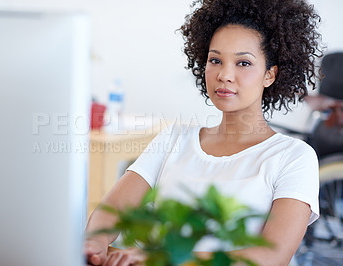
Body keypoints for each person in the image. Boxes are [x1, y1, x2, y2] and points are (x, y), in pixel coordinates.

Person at [84, 0, 323, 265]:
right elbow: (113, 211)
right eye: (215, 60)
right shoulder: (174, 138)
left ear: (269, 75)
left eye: (243, 63)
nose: (224, 74)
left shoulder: (294, 157)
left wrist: (163, 259)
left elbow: (271, 257)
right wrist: (94, 245)